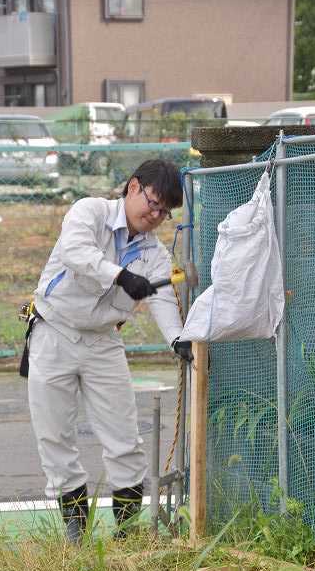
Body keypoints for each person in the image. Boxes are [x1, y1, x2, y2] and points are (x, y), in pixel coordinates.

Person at [26, 158, 193, 542]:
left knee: (124, 436)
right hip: (53, 331)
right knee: (54, 435)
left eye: (165, 212)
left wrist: (177, 338)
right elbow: (75, 253)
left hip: (103, 341)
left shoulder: (153, 254)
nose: (156, 216)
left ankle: (128, 534)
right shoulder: (90, 211)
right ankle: (75, 530)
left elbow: (164, 298)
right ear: (133, 187)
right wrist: (120, 275)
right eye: (153, 203)